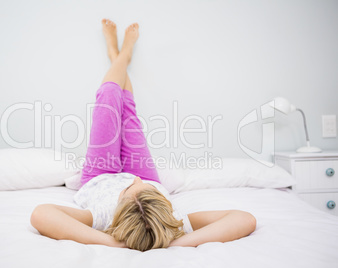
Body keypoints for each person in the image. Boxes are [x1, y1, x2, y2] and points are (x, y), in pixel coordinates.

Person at [30, 19, 257, 251]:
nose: (133, 180)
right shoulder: (171, 220)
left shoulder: (101, 217)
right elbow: (244, 219)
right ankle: (122, 56)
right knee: (128, 112)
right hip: (146, 172)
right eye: (144, 190)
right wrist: (179, 242)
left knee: (109, 96)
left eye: (128, 189)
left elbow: (41, 214)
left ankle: (118, 55)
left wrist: (110, 243)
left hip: (100, 176)